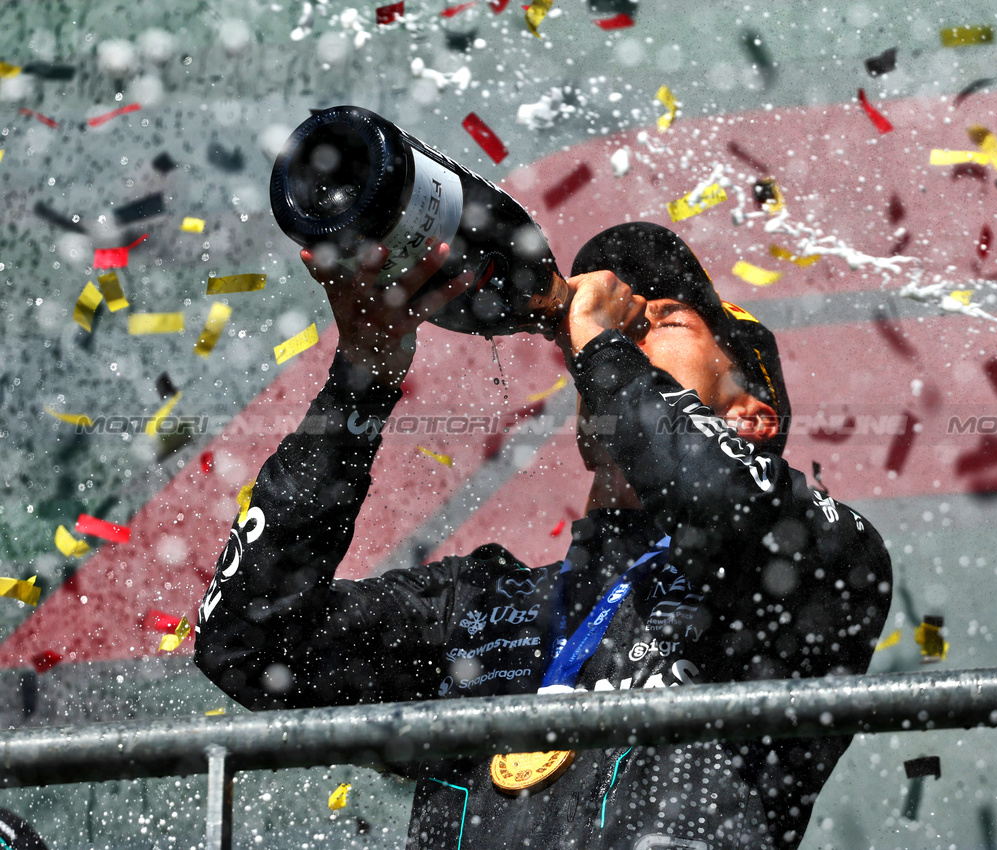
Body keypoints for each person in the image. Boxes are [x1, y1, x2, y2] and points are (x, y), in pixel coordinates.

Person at [195, 221, 893, 849]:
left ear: (749, 418)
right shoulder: (477, 608)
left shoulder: (819, 558)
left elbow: (720, 496)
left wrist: (606, 350)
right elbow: (247, 643)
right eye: (614, 326)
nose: (619, 328)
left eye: (662, 318)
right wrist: (362, 377)